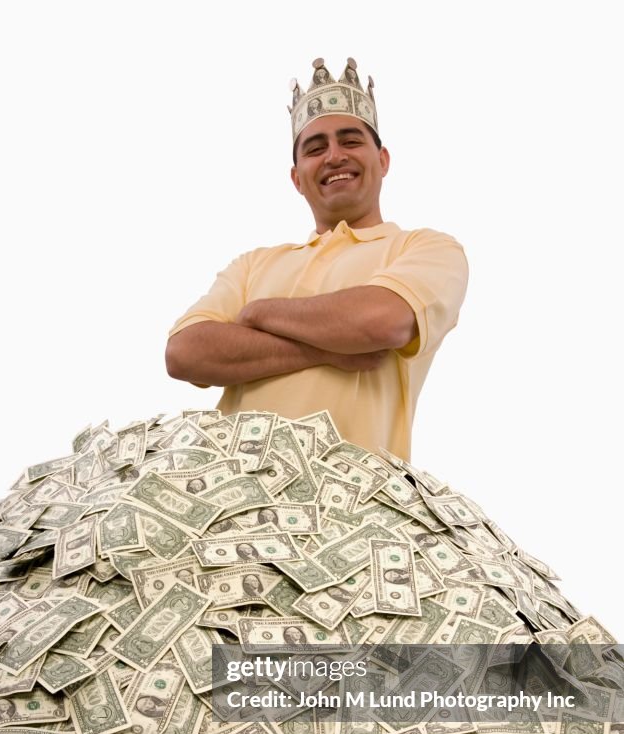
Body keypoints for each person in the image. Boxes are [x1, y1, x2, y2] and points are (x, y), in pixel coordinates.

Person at [166, 57, 468, 459]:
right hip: (231, 506)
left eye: (351, 140)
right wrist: (328, 349)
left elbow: (382, 321)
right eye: (315, 148)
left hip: (351, 508)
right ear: (296, 178)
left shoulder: (427, 249)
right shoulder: (253, 263)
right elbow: (185, 352)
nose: (334, 156)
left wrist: (256, 315)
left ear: (383, 161)